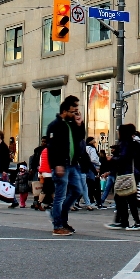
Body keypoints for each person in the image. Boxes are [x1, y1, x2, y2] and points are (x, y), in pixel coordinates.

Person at [104, 123, 140, 231]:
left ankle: (133, 221)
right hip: (132, 173)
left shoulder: (125, 143)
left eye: (118, 131)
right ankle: (128, 220)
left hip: (127, 174)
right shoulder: (131, 142)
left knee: (127, 198)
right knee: (128, 198)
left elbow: (124, 158)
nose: (117, 132)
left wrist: (112, 159)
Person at [46, 95, 86, 236]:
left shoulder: (73, 124)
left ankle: (60, 217)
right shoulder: (55, 126)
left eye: (77, 111)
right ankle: (58, 225)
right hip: (61, 165)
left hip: (73, 164)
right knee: (60, 196)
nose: (75, 113)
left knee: (77, 191)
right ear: (64, 111)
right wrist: (57, 164)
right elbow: (52, 147)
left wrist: (80, 123)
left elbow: (81, 138)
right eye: (73, 111)